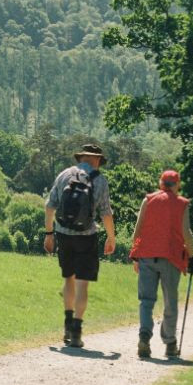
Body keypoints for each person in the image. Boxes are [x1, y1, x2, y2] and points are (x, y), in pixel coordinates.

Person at [44, 144, 116, 348]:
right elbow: (106, 214)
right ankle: (76, 330)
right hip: (87, 236)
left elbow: (49, 207)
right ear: (97, 161)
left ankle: (67, 324)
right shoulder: (100, 181)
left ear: (82, 158)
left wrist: (49, 234)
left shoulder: (65, 174)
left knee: (69, 278)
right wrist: (111, 239)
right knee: (83, 283)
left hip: (64, 233)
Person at [129, 169, 193, 358]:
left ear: (161, 183)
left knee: (146, 301)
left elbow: (138, 230)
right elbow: (187, 234)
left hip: (147, 256)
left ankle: (144, 337)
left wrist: (136, 256)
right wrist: (192, 257)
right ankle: (170, 344)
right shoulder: (182, 204)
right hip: (170, 258)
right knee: (170, 301)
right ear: (177, 184)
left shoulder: (148, 200)